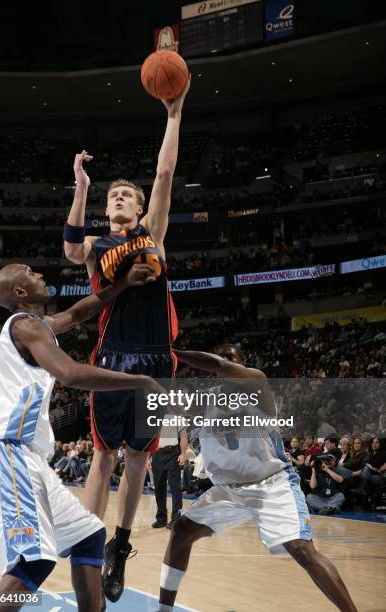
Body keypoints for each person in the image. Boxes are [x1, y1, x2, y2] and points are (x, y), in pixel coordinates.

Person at [63, 81, 190, 604]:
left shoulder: (153, 235)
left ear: (139, 208)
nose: (120, 197)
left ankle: (120, 543)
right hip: (112, 359)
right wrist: (82, 186)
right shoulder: (96, 246)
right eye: (113, 195)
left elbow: (163, 174)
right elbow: (70, 250)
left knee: (137, 459)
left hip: (156, 358)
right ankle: (90, 545)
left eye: (126, 195)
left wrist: (174, 114)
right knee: (102, 459)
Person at [0, 262, 162, 612]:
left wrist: (122, 283)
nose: (41, 275)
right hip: (6, 451)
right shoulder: (25, 326)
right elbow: (69, 372)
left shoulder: (38, 326)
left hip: (29, 457)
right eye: (32, 274)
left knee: (89, 536)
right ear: (19, 293)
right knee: (32, 561)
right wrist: (139, 381)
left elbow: (79, 312)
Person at [157, 345, 357, 612]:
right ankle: (163, 610)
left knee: (301, 548)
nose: (223, 360)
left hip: (271, 482)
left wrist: (168, 350)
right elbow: (169, 402)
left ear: (243, 363)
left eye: (230, 357)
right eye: (220, 356)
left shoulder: (257, 385)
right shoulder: (206, 401)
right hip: (228, 489)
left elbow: (217, 366)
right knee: (181, 531)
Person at [151, 416, 188, 529]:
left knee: (175, 487)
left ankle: (176, 519)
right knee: (159, 488)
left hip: (173, 453)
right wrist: (148, 457)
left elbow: (183, 437)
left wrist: (183, 454)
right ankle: (161, 518)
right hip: (156, 453)